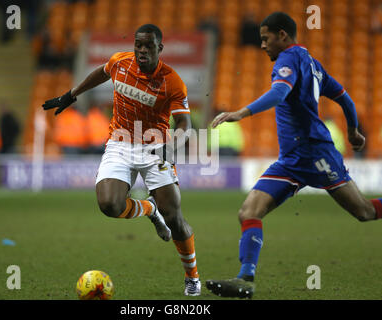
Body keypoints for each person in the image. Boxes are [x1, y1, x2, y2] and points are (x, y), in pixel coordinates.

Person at [206, 12, 382, 299]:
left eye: (266, 39)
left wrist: (241, 112)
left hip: (315, 153)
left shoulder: (288, 60)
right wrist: (352, 132)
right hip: (291, 160)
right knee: (248, 212)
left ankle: (245, 276)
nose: (262, 45)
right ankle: (245, 279)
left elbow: (278, 94)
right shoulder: (312, 63)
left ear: (283, 36)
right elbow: (344, 97)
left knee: (364, 212)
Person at [42, 24, 201, 296]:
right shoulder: (120, 62)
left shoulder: (172, 81)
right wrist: (72, 94)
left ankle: (192, 277)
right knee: (108, 204)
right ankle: (149, 210)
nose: (141, 50)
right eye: (138, 44)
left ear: (159, 49)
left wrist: (173, 146)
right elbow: (101, 73)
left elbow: (185, 122)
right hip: (120, 143)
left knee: (174, 217)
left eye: (148, 46)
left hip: (156, 147)